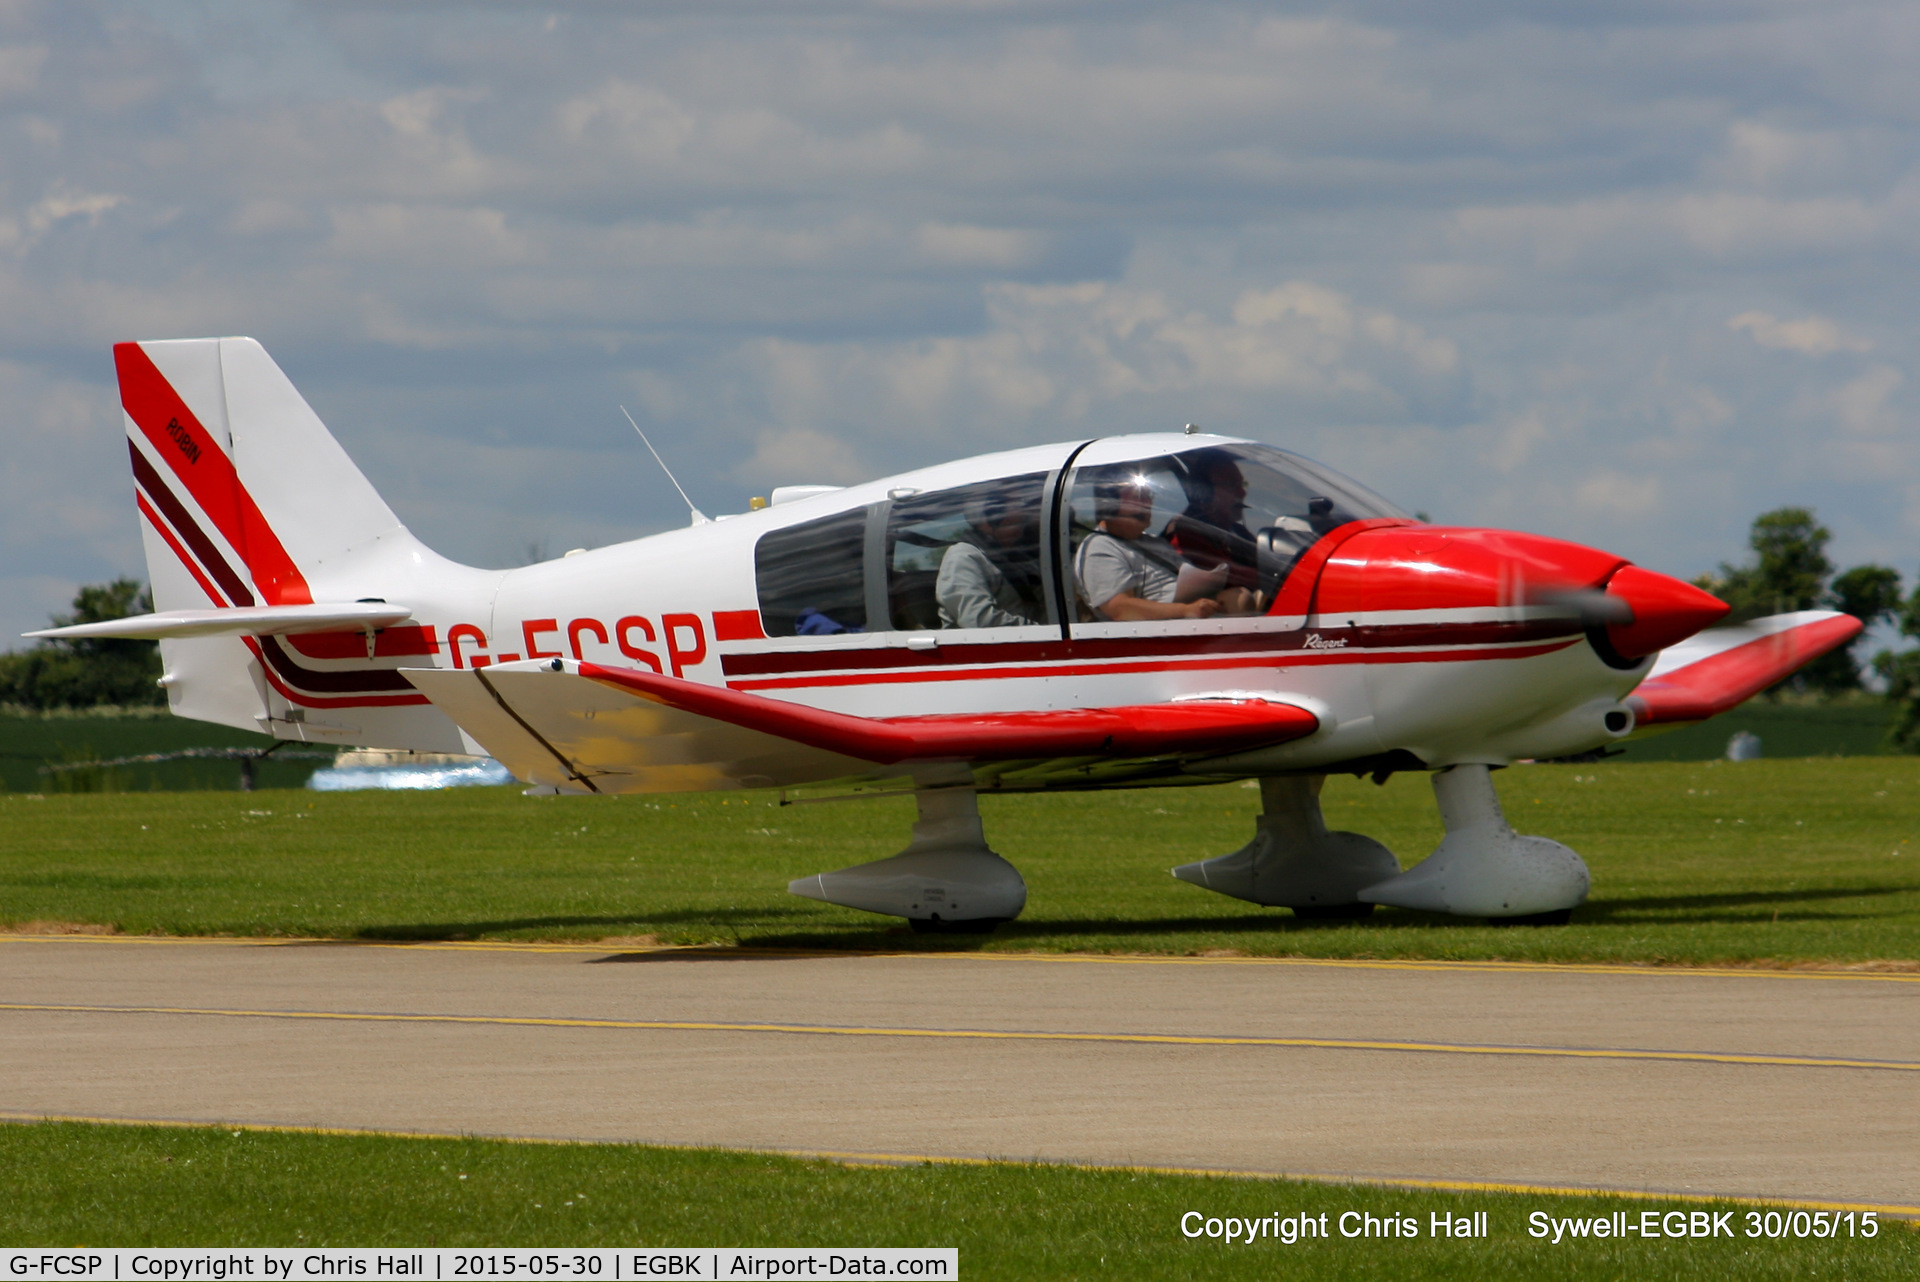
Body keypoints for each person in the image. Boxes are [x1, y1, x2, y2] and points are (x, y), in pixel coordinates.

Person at [1075, 476, 1221, 621]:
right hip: (1164, 635)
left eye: (1149, 496)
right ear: (1109, 505)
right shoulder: (1099, 548)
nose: (1148, 503)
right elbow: (1119, 609)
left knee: (1238, 597)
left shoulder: (1154, 542)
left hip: (1192, 622)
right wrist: (1187, 610)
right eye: (1139, 496)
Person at [1164, 450, 1261, 614]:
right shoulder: (1187, 532)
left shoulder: (1237, 531)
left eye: (1242, 485)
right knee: (1240, 598)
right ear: (1205, 493)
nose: (1242, 493)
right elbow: (1227, 574)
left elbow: (1263, 561)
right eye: (1232, 485)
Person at [936, 495, 1043, 629]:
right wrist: (1039, 630)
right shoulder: (963, 557)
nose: (1020, 531)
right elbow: (979, 621)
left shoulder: (1014, 555)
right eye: (1014, 524)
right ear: (990, 522)